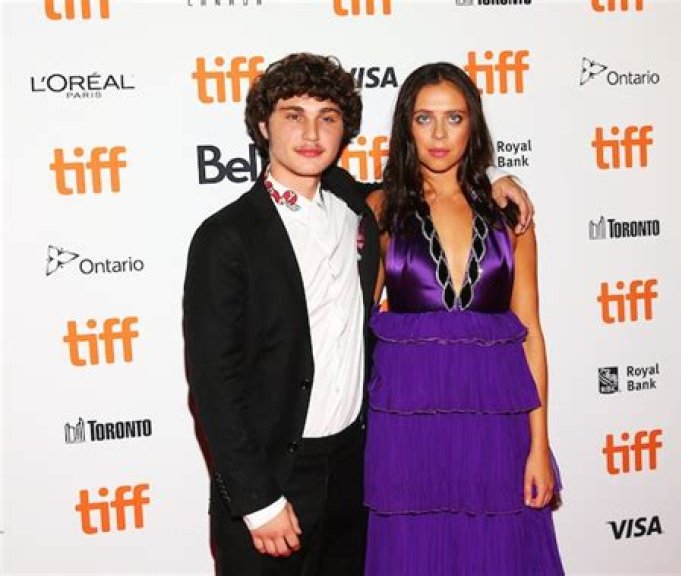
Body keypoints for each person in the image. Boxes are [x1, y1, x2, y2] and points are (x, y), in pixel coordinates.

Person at [183, 53, 534, 576]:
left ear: (343, 131)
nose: (311, 134)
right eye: (294, 115)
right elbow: (214, 382)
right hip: (274, 479)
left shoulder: (358, 208)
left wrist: (495, 178)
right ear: (263, 126)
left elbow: (433, 182)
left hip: (356, 474)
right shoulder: (226, 237)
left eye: (327, 117)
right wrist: (257, 500)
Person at [364, 62, 564, 575]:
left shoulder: (509, 215)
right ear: (405, 126)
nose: (438, 134)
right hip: (409, 431)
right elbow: (353, 322)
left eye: (453, 118)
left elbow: (530, 336)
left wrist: (539, 445)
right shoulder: (381, 208)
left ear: (472, 124)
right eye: (424, 118)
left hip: (495, 429)